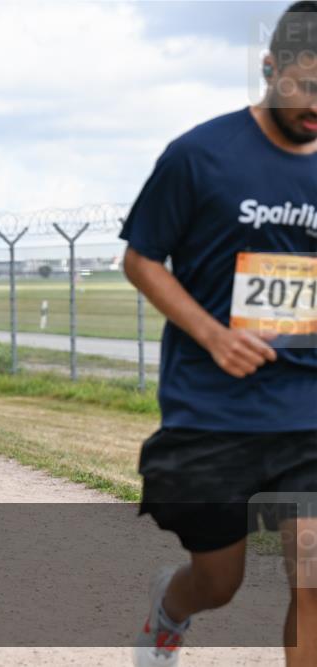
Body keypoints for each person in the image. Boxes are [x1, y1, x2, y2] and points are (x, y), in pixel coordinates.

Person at [121, 5, 317, 666]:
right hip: (213, 407)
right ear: (271, 68)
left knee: (313, 577)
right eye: (309, 85)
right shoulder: (201, 155)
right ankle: (170, 610)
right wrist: (212, 334)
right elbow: (142, 258)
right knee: (218, 581)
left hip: (306, 403)